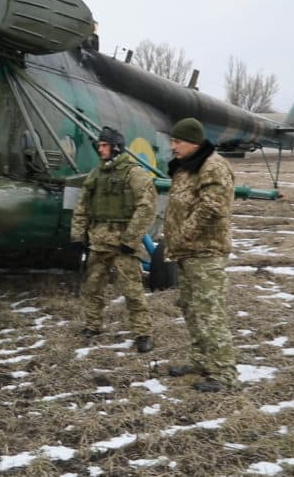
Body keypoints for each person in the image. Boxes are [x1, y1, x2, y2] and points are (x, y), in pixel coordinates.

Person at [164, 117, 238, 393]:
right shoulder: (187, 168)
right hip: (187, 252)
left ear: (193, 142)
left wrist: (184, 233)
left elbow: (212, 207)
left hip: (206, 252)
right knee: (192, 310)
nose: (172, 146)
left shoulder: (213, 166)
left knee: (210, 313)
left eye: (177, 141)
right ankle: (200, 361)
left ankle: (224, 373)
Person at [70, 126, 157, 353]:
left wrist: (130, 239)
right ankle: (93, 325)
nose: (100, 149)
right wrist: (78, 235)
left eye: (104, 145)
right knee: (92, 286)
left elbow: (147, 207)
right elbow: (82, 207)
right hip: (98, 241)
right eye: (99, 145)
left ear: (116, 147)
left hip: (122, 243)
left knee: (132, 290)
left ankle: (142, 333)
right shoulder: (96, 175)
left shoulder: (134, 173)